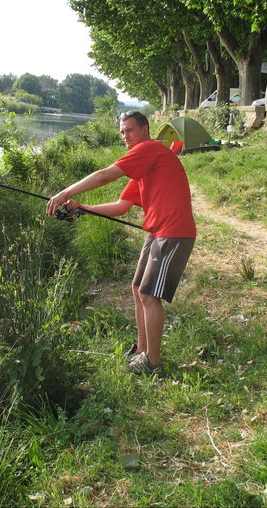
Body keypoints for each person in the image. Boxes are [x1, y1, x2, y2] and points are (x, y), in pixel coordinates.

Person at [46, 111, 196, 374]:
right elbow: (121, 206)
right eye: (122, 132)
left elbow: (105, 175)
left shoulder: (150, 148)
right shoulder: (142, 168)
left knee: (149, 295)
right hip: (157, 232)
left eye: (130, 130)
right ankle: (141, 349)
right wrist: (82, 207)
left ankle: (153, 362)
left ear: (145, 129)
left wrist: (65, 193)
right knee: (138, 288)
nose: (125, 136)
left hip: (173, 232)